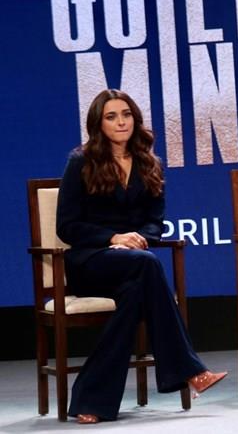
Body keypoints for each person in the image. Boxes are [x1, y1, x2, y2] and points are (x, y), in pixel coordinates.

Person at [56, 89, 226, 424]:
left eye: (126, 115)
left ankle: (91, 401)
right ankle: (190, 370)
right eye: (111, 116)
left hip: (132, 264)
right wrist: (113, 238)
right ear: (98, 123)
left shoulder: (149, 164)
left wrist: (137, 241)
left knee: (135, 295)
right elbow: (67, 226)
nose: (121, 122)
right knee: (147, 265)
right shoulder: (81, 162)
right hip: (90, 263)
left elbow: (154, 222)